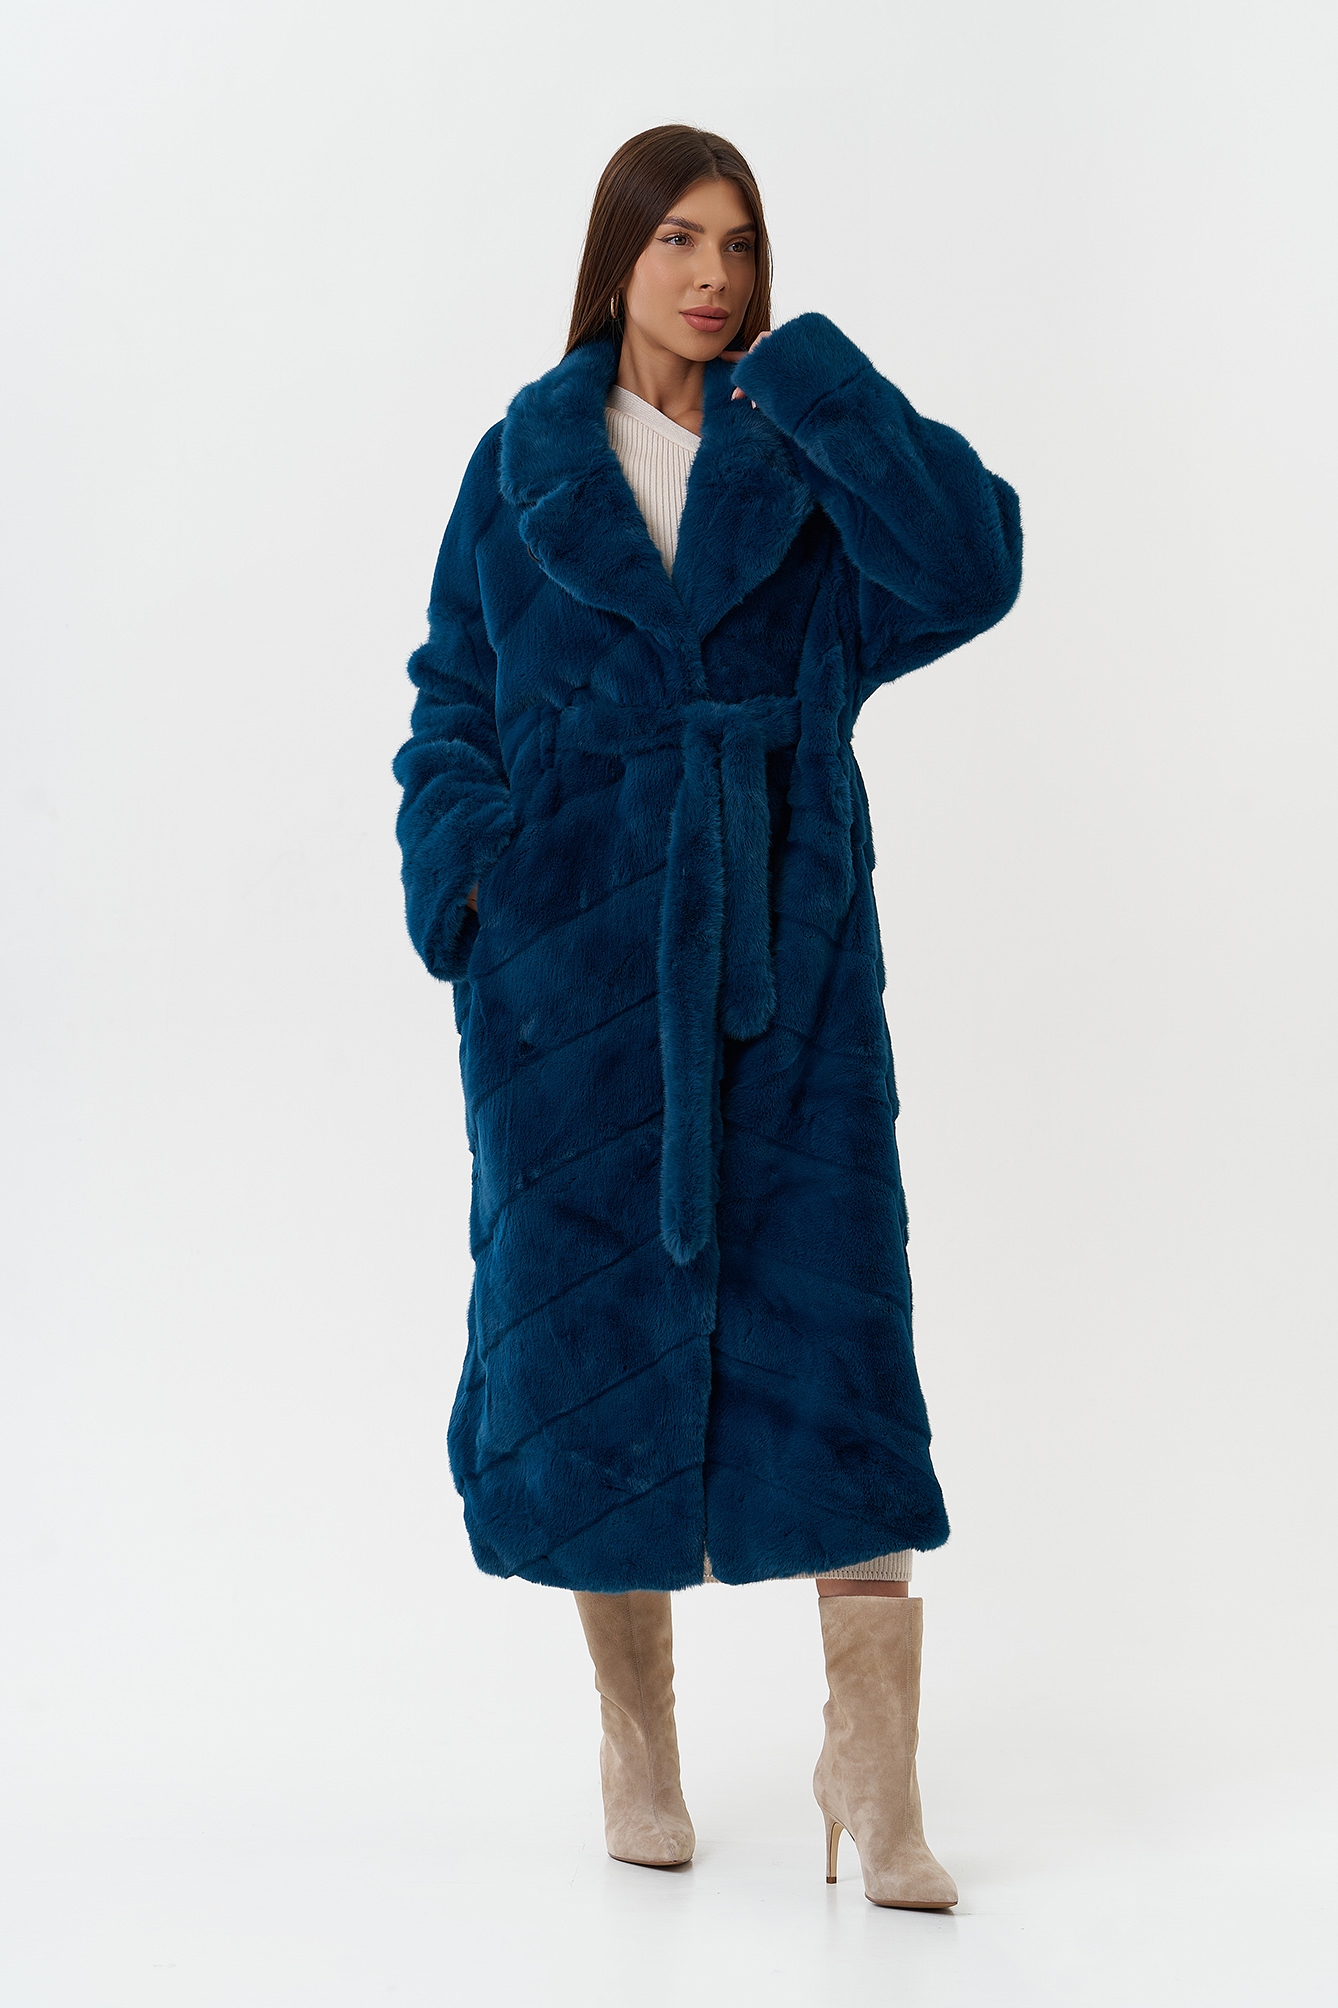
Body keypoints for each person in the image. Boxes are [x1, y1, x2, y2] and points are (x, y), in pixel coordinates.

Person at [392, 124, 1022, 1908]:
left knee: (835, 1341)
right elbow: (451, 695)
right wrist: (472, 884)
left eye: (739, 246)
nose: (711, 276)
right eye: (677, 239)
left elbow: (968, 568)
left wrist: (816, 380)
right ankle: (637, 1741)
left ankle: (870, 1772)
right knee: (591, 1344)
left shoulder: (794, 448)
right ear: (617, 256)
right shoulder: (522, 465)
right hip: (569, 977)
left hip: (783, 959)